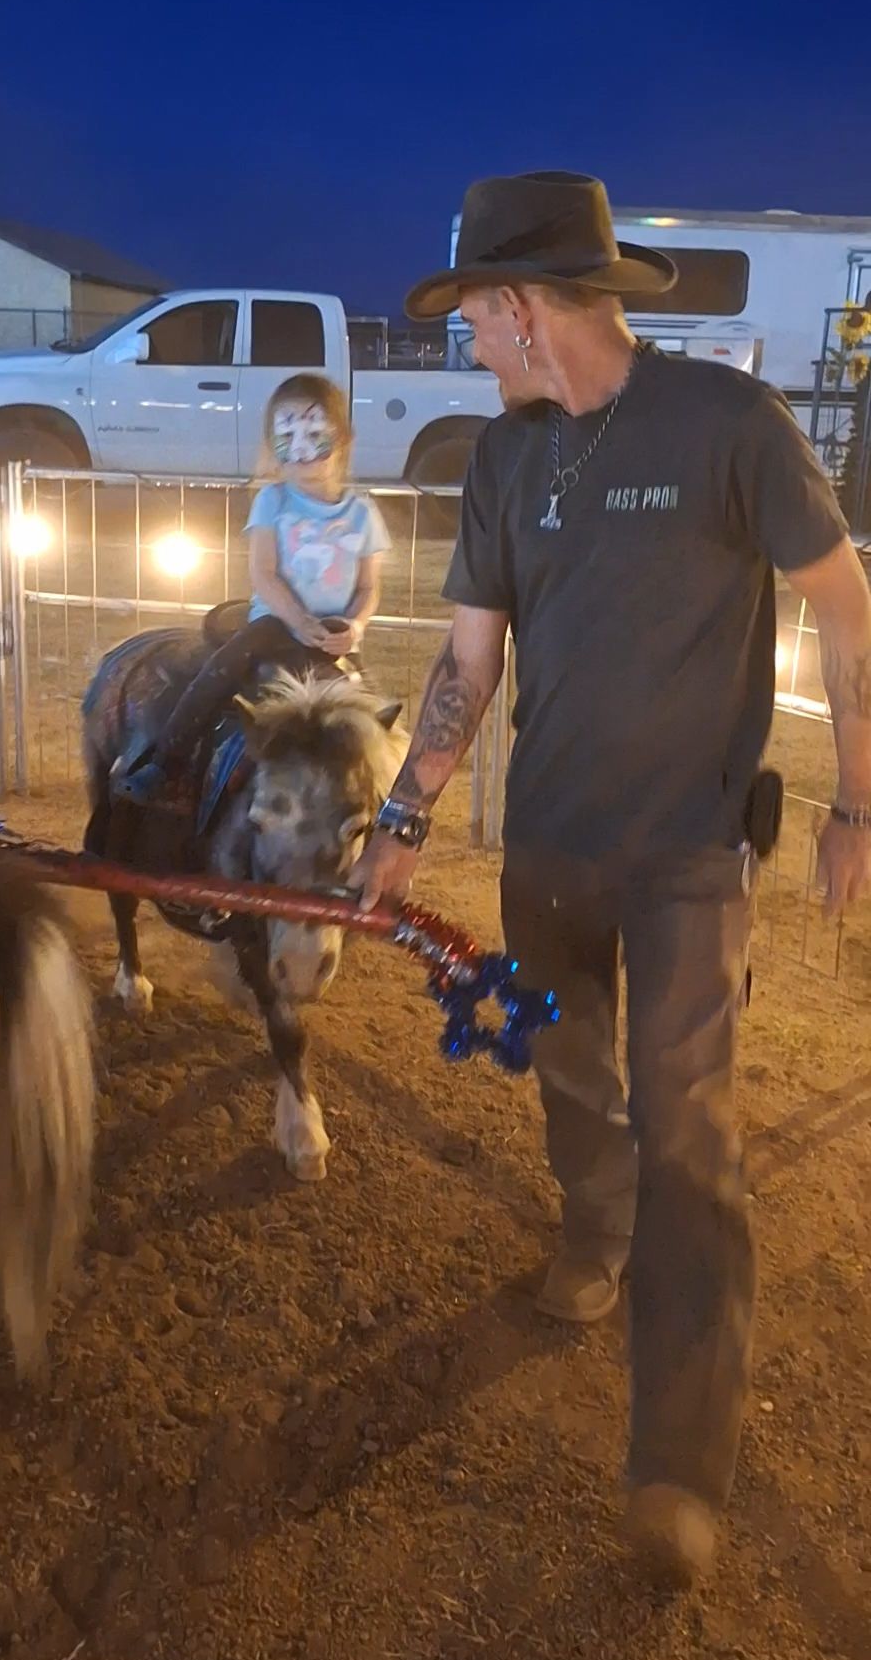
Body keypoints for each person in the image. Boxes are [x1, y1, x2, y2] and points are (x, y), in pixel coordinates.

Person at [350, 171, 871, 1583]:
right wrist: (399, 821)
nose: (464, 339)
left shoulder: (726, 425)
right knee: (573, 1075)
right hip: (554, 850)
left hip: (693, 853)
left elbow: (842, 595)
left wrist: (856, 799)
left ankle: (679, 1470)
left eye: (471, 314)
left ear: (524, 306)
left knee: (691, 1132)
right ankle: (594, 1229)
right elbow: (469, 666)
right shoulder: (506, 459)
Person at [116, 372, 390, 807]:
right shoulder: (273, 501)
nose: (300, 447)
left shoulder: (362, 513)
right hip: (276, 624)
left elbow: (368, 585)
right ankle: (167, 757)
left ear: (341, 438)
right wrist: (298, 621)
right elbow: (264, 572)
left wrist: (355, 626)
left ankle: (378, 797)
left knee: (373, 716)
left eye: (314, 431)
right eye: (286, 434)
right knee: (222, 669)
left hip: (334, 634)